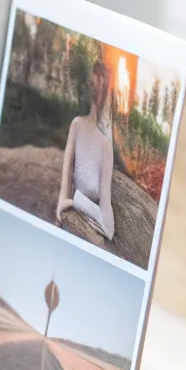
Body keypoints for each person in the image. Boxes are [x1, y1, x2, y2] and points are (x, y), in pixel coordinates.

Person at [56, 58, 115, 241]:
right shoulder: (77, 125)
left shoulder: (105, 145)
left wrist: (76, 202)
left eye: (101, 85)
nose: (97, 90)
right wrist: (64, 204)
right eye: (93, 83)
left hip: (90, 231)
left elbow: (109, 228)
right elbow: (66, 177)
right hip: (71, 224)